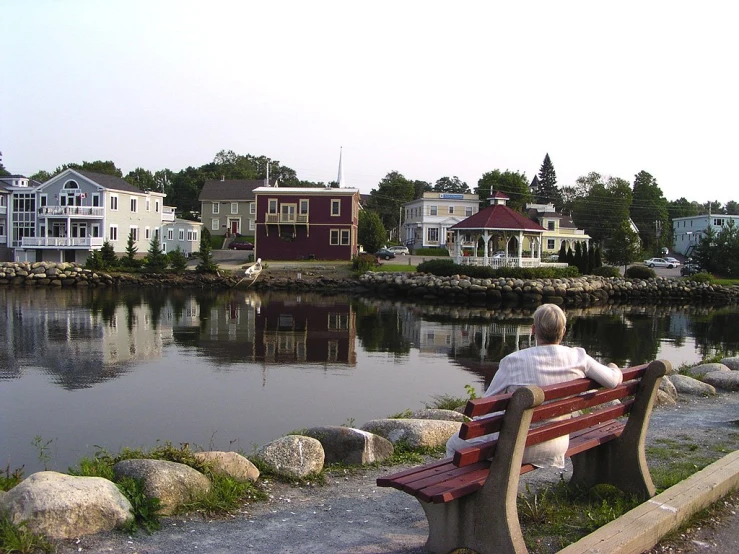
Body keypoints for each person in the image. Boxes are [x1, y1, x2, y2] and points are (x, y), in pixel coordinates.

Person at [445, 303, 623, 468]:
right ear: (564, 331)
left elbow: (486, 407)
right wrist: (614, 367)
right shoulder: (579, 357)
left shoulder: (513, 361)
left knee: (454, 444)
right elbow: (613, 381)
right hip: (556, 443)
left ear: (533, 330)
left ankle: (479, 492)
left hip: (515, 446)